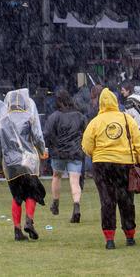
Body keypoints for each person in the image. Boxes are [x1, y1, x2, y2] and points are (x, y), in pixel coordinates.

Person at [81, 87, 140, 250]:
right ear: (116, 102)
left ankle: (109, 238)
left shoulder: (95, 122)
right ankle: (130, 235)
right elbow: (138, 142)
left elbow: (87, 146)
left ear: (101, 103)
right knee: (127, 201)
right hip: (125, 164)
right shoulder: (127, 119)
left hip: (102, 165)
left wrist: (98, 153)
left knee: (107, 201)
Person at [0, 88, 47, 242]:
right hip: (28, 161)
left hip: (10, 164)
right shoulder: (28, 117)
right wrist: (42, 150)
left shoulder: (2, 121)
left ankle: (17, 229)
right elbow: (37, 136)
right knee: (32, 192)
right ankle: (29, 220)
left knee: (17, 196)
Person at [43, 89, 86, 223]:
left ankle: (55, 203)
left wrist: (53, 146)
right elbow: (85, 133)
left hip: (59, 153)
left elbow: (47, 134)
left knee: (56, 176)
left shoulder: (54, 116)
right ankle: (76, 205)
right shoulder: (79, 116)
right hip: (75, 152)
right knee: (74, 180)